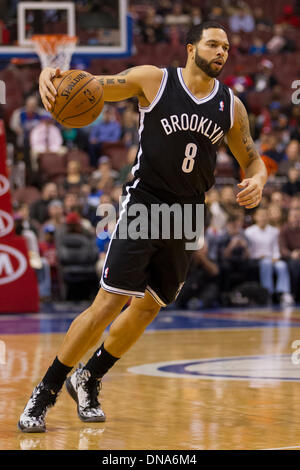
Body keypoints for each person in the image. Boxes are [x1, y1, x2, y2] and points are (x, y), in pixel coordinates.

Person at [18, 21, 267, 433]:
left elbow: (253, 158)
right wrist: (53, 75)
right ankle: (45, 391)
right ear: (190, 48)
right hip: (145, 205)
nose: (221, 52)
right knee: (108, 304)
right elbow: (92, 85)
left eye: (226, 47)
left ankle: (89, 377)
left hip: (188, 213)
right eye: (212, 44)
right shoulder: (154, 79)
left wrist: (257, 180)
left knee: (150, 307)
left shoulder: (230, 105)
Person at [245, 207, 293, 306]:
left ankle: (283, 293)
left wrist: (276, 256)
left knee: (282, 265)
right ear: (256, 217)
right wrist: (258, 256)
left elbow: (276, 247)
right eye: (261, 215)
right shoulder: (249, 232)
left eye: (265, 215)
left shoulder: (274, 230)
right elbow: (249, 250)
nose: (263, 218)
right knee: (266, 263)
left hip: (272, 258)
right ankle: (268, 293)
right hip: (257, 259)